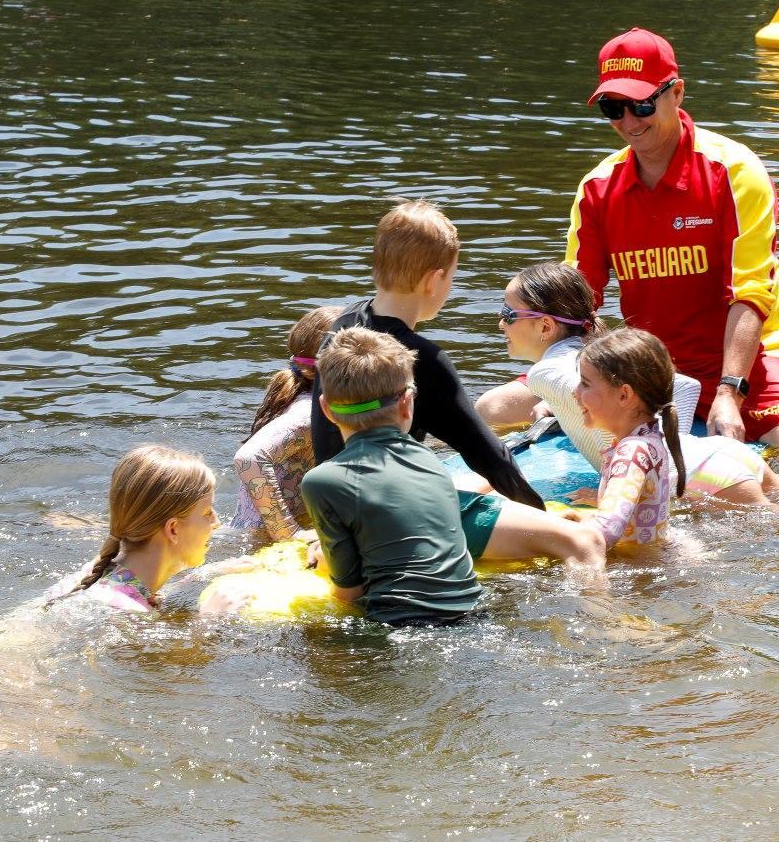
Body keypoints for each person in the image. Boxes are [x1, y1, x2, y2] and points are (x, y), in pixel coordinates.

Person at [550, 27, 779, 455]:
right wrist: (571, 385)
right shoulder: (597, 187)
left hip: (741, 362)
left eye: (642, 104)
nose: (628, 122)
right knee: (497, 406)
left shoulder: (734, 172)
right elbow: (575, 304)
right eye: (613, 107)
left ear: (676, 93)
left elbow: (751, 294)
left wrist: (728, 393)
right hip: (649, 367)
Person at [303, 328, 604, 624]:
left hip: (393, 626)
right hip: (473, 617)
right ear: (408, 404)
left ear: (326, 409)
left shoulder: (321, 481)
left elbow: (349, 594)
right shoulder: (429, 463)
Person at [310, 200, 545, 510]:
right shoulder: (423, 359)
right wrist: (540, 512)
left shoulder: (342, 326)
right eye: (451, 277)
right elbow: (489, 458)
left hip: (330, 504)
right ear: (433, 281)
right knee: (574, 539)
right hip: (392, 514)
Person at [493, 261, 779, 505]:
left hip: (694, 476)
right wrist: (672, 449)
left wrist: (634, 484)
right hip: (718, 454)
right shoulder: (595, 353)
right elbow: (684, 386)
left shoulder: (545, 374)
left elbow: (600, 405)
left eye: (508, 315)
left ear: (545, 326)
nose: (500, 324)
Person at [42, 445, 252, 614]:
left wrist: (211, 572)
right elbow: (170, 665)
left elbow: (161, 584)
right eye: (207, 513)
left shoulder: (100, 570)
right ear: (173, 530)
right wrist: (208, 618)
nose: (216, 523)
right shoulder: (125, 612)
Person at [231, 305, 343, 539]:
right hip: (261, 541)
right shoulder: (308, 414)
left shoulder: (299, 399)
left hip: (252, 531)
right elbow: (248, 458)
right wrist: (288, 534)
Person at [574, 328, 688, 549]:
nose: (575, 392)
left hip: (638, 579)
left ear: (624, 395)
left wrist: (548, 532)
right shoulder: (648, 439)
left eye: (585, 383)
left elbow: (605, 531)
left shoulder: (632, 452)